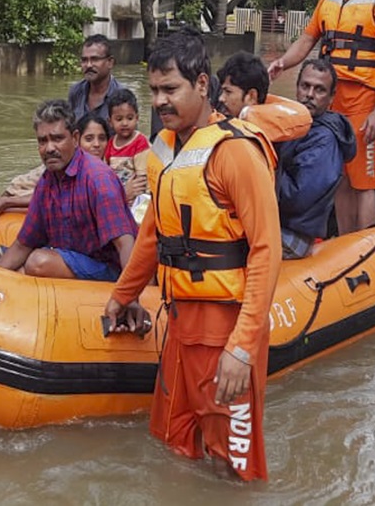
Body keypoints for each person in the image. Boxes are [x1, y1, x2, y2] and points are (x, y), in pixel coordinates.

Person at [104, 31, 281, 481]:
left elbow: (266, 250)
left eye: (171, 90)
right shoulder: (161, 151)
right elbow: (152, 235)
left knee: (233, 464)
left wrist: (241, 348)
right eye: (154, 91)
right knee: (173, 442)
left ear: (203, 85)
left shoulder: (235, 152)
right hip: (179, 323)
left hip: (226, 327)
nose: (160, 101)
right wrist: (121, 295)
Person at [267, 0, 375, 234]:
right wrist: (282, 63)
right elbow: (306, 40)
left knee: (363, 181)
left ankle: (367, 247)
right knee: (339, 175)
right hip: (331, 103)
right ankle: (343, 244)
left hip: (363, 102)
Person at [0, 100, 137, 280]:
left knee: (38, 262)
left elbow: (125, 244)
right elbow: (23, 244)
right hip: (74, 258)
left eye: (57, 139)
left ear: (75, 139)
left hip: (110, 269)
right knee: (20, 268)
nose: (49, 148)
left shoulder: (98, 180)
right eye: (42, 141)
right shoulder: (47, 182)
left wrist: (130, 295)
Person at [275, 59, 356, 258]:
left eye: (319, 90)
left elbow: (296, 199)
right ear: (297, 88)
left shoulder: (325, 140)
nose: (309, 94)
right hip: (277, 224)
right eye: (305, 86)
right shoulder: (295, 125)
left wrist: (263, 166)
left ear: (331, 98)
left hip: (292, 235)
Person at [0, 112, 113, 217]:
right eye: (89, 139)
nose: (97, 144)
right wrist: (7, 202)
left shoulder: (108, 169)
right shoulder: (62, 165)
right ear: (76, 140)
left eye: (102, 138)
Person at [103, 88, 150, 203]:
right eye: (119, 119)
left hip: (137, 197)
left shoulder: (140, 142)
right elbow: (105, 172)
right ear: (110, 122)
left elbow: (142, 178)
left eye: (130, 118)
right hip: (119, 195)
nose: (125, 123)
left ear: (137, 118)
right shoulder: (110, 143)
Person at [67, 34, 128, 121]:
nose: (88, 65)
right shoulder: (76, 92)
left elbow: (129, 132)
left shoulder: (122, 96)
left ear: (110, 62)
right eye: (84, 60)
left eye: (95, 59)